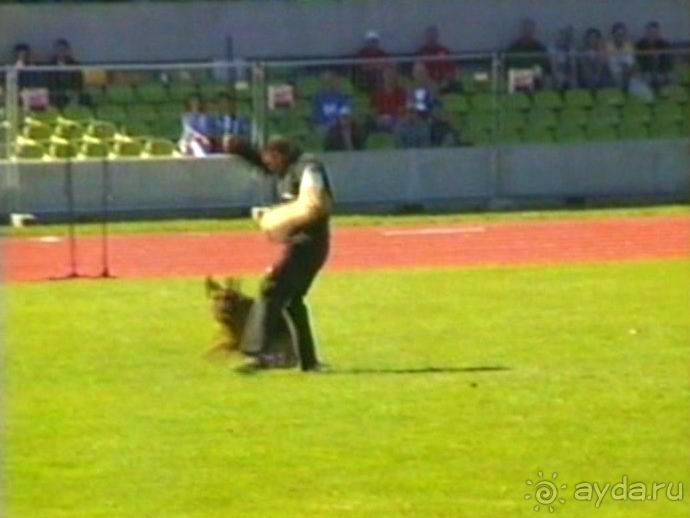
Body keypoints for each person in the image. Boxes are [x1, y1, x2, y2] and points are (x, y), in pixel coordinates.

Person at [231, 138, 333, 371]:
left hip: (310, 246)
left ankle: (257, 353)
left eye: (272, 160)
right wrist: (240, 149)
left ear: (282, 155)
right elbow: (261, 163)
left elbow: (314, 204)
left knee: (271, 288)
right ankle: (310, 362)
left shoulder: (308, 168)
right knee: (293, 301)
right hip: (301, 246)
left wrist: (277, 217)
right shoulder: (286, 170)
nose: (270, 166)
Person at [506, 18, 550, 87]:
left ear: (533, 31)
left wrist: (530, 76)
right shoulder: (513, 48)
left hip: (534, 83)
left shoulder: (540, 49)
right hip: (514, 82)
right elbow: (507, 67)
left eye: (529, 30)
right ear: (521, 31)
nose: (527, 32)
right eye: (525, 30)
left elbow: (543, 69)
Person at [47, 39, 87, 108]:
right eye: (59, 49)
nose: (61, 51)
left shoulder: (75, 65)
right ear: (55, 51)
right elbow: (48, 82)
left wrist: (72, 91)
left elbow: (79, 82)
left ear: (68, 50)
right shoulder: (49, 65)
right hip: (55, 95)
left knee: (75, 100)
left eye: (63, 49)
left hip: (71, 94)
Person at [416, 25, 456, 91]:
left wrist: (447, 79)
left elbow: (452, 69)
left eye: (434, 36)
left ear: (437, 36)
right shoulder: (420, 52)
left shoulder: (445, 51)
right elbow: (416, 72)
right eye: (430, 36)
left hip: (443, 85)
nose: (432, 38)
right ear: (426, 37)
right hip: (426, 85)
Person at [636, 21, 673, 88]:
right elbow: (639, 61)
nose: (652, 35)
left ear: (658, 33)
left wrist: (659, 57)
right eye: (650, 32)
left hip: (662, 70)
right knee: (647, 78)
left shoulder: (665, 44)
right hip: (646, 70)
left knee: (671, 77)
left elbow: (669, 61)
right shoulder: (640, 45)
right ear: (646, 32)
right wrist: (650, 57)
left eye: (655, 32)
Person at [370, 67, 407, 132]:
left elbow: (402, 110)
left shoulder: (401, 93)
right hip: (381, 119)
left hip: (396, 120)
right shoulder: (377, 93)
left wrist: (393, 117)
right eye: (387, 76)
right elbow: (373, 110)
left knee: (401, 124)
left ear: (395, 78)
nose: (389, 78)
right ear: (383, 77)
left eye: (391, 76)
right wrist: (378, 117)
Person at [606, 22, 635, 88]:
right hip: (612, 73)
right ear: (613, 34)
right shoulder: (608, 46)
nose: (620, 36)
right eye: (618, 34)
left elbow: (630, 62)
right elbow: (609, 63)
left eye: (622, 34)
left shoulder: (629, 46)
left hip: (626, 72)